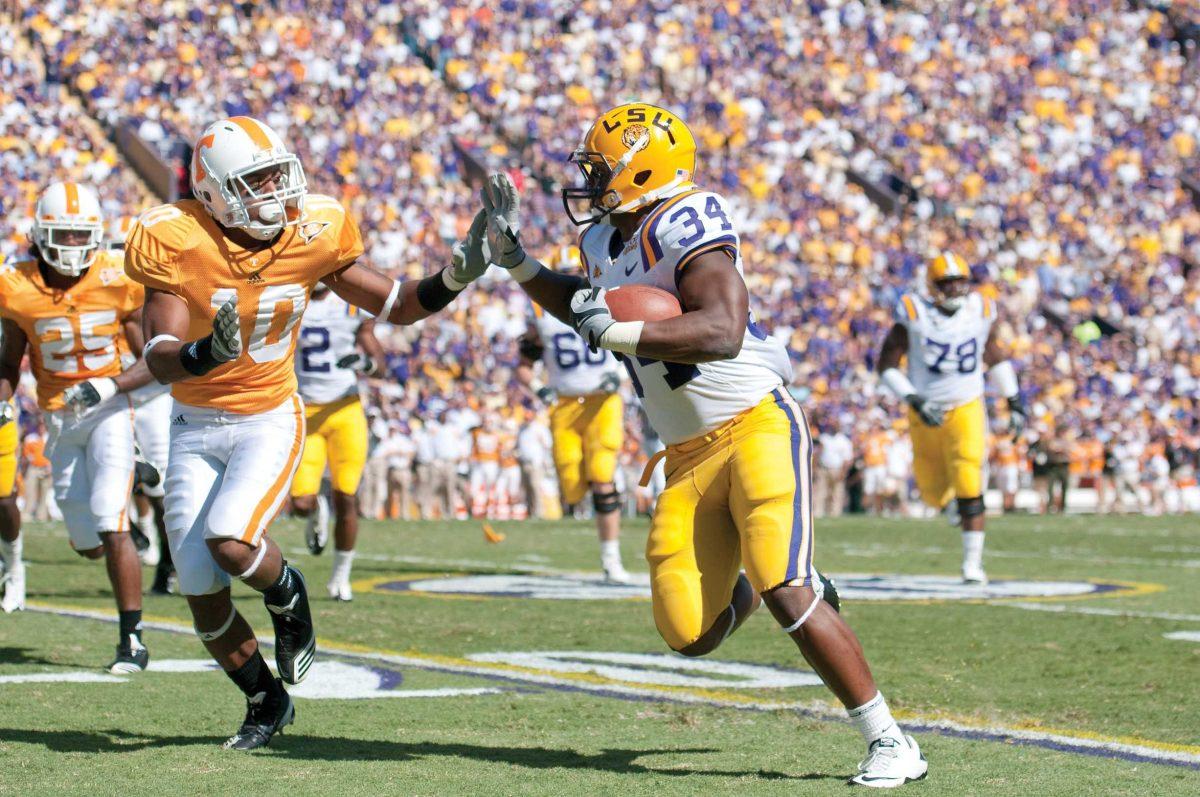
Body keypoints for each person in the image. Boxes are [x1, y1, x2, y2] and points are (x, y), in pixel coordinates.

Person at [481, 103, 927, 788]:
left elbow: (720, 327)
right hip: (686, 453)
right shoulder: (603, 241)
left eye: (601, 170)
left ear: (644, 170)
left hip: (755, 423)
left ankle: (889, 739)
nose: (588, 183)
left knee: (788, 588)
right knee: (691, 632)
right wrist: (516, 262)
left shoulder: (685, 221)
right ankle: (762, 579)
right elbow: (586, 303)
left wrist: (620, 334)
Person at [120, 116, 491, 750]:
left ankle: (289, 595)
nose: (270, 193)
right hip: (194, 423)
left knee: (231, 543)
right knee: (202, 591)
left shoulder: (312, 230)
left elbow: (397, 302)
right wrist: (203, 354)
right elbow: (158, 351)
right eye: (252, 181)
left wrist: (455, 277)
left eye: (274, 176)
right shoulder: (176, 235)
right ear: (210, 191)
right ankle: (266, 699)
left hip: (267, 415)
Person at [0, 182, 155, 666]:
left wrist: (111, 386)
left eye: (79, 235)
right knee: (87, 544)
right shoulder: (16, 285)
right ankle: (131, 486)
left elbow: (154, 357)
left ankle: (132, 639)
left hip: (109, 411)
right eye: (61, 235)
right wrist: (3, 401)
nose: (71, 246)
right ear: (39, 235)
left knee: (112, 524)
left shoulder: (115, 277)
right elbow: (9, 358)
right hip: (60, 422)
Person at [876, 252, 1028, 584]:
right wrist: (913, 399)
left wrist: (1014, 399)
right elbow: (885, 365)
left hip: (966, 404)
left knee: (969, 470)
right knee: (932, 492)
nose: (956, 290)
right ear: (933, 287)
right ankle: (951, 504)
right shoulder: (914, 313)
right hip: (924, 409)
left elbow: (994, 355)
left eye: (961, 283)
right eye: (948, 284)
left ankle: (972, 563)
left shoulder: (981, 310)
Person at [517, 300, 630, 581]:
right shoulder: (542, 315)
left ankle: (611, 559)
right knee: (571, 486)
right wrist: (537, 388)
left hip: (603, 401)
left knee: (603, 476)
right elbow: (524, 364)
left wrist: (620, 375)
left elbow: (636, 348)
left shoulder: (607, 301)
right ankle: (604, 550)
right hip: (564, 405)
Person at [289, 284, 386, 601]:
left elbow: (379, 364)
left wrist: (364, 364)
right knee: (301, 503)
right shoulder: (290, 300)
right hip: (305, 410)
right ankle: (318, 506)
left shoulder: (351, 306)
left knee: (348, 495)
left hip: (345, 409)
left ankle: (341, 577)